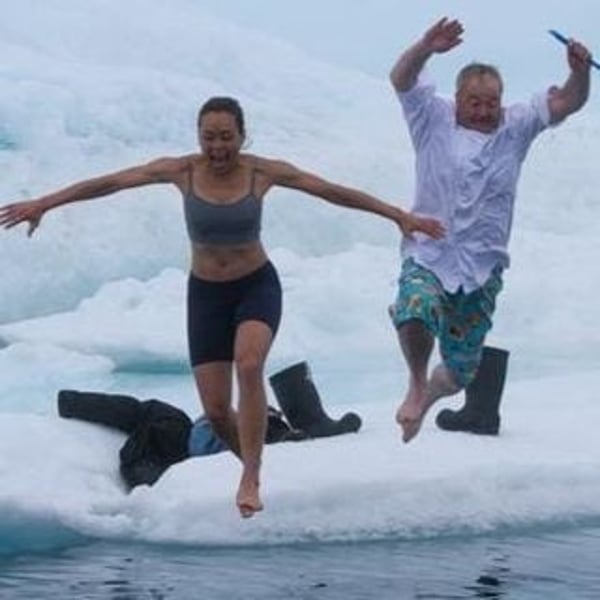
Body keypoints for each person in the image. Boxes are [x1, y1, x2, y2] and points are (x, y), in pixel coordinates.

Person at [0, 96, 444, 517]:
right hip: (206, 296)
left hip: (255, 286)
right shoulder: (181, 171)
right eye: (208, 137)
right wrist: (46, 203)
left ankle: (251, 477)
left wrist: (397, 215)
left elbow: (331, 191)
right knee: (215, 411)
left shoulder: (261, 172)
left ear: (242, 136)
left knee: (249, 364)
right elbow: (111, 182)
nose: (217, 147)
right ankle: (250, 461)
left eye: (226, 137)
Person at [387, 17, 592, 443]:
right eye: (474, 102)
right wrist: (425, 47)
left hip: (481, 267)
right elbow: (401, 78)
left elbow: (567, 102)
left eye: (491, 102)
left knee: (460, 372)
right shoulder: (431, 118)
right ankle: (416, 381)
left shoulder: (517, 125)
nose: (484, 111)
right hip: (429, 251)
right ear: (457, 100)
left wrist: (579, 72)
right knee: (415, 308)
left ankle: (430, 393)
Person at [57, 360, 361, 490]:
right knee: (153, 413)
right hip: (194, 444)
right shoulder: (162, 437)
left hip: (191, 441)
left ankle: (70, 402)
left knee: (148, 411)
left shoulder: (163, 428)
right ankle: (303, 427)